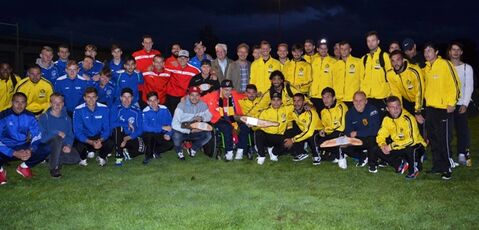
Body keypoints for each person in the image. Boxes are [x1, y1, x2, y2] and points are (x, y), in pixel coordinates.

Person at [423, 42, 461, 180]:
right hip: (430, 109)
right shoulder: (427, 68)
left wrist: (452, 103)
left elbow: (456, 84)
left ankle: (447, 168)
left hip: (443, 109)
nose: (427, 53)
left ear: (436, 51)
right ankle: (438, 165)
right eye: (425, 51)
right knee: (433, 139)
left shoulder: (445, 64)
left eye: (430, 50)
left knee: (443, 139)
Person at [0, 92, 50, 185]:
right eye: (16, 102)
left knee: (46, 147)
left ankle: (24, 167)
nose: (19, 105)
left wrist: (30, 149)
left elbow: (37, 135)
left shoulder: (30, 116)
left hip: (23, 146)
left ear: (26, 104)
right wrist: (13, 152)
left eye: (22, 102)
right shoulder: (3, 116)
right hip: (6, 147)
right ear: (12, 102)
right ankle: (0, 171)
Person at [377, 96, 427, 179]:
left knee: (410, 149)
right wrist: (382, 145)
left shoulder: (408, 118)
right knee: (377, 149)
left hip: (417, 145)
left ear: (401, 106)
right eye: (392, 107)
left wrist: (391, 146)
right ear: (387, 108)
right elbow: (381, 135)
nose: (395, 109)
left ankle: (414, 168)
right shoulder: (386, 119)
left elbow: (411, 140)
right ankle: (399, 164)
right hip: (398, 146)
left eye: (397, 106)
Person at [202, 80, 248, 160]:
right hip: (219, 119)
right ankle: (229, 152)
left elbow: (245, 96)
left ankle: (240, 151)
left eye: (230, 90)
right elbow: (198, 99)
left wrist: (256, 95)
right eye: (226, 90)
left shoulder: (234, 94)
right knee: (227, 128)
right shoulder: (212, 96)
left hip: (232, 117)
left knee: (244, 126)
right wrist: (185, 98)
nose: (228, 92)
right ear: (221, 89)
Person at [38, 93, 80, 178]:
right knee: (57, 138)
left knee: (76, 158)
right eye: (54, 102)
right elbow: (42, 139)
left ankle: (52, 158)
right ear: (50, 103)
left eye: (60, 102)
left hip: (61, 146)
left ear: (63, 104)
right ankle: (54, 168)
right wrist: (56, 132)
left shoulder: (66, 118)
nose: (57, 105)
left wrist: (68, 145)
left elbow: (70, 135)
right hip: (47, 145)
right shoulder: (44, 117)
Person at [73, 87, 113, 167]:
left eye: (93, 97)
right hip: (86, 137)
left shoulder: (104, 108)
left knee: (110, 142)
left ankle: (102, 156)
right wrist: (90, 142)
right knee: (77, 143)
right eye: (88, 97)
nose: (91, 100)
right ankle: (83, 158)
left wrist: (101, 140)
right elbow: (77, 131)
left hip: (99, 136)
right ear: (84, 98)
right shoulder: (78, 110)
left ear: (97, 98)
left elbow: (107, 129)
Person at [448, 42, 474, 166]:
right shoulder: (445, 66)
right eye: (453, 49)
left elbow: (469, 87)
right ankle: (447, 155)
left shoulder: (467, 68)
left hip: (460, 104)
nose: (455, 52)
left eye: (458, 50)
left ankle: (462, 154)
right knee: (447, 131)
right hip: (447, 104)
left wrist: (465, 104)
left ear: (461, 52)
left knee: (462, 130)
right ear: (449, 52)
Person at [343, 91, 382, 173]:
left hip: (371, 138)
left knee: (372, 139)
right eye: (356, 101)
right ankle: (362, 157)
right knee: (344, 146)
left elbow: (374, 130)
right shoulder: (349, 113)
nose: (358, 103)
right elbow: (348, 131)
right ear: (353, 101)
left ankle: (372, 164)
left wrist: (357, 133)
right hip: (359, 139)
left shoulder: (372, 110)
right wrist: (350, 137)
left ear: (366, 101)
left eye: (361, 100)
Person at [171, 86, 212, 160]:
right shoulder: (181, 105)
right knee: (176, 136)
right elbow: (174, 124)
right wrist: (189, 130)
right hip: (182, 129)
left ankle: (193, 148)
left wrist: (202, 118)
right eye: (192, 95)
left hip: (194, 129)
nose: (194, 98)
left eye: (197, 95)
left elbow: (209, 116)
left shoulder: (203, 105)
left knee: (208, 135)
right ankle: (179, 151)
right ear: (188, 96)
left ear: (200, 96)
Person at [254, 92, 292, 165]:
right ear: (271, 101)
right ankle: (261, 156)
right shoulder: (265, 112)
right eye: (274, 100)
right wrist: (253, 125)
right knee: (258, 133)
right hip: (267, 136)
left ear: (281, 101)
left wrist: (308, 105)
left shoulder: (287, 109)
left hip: (279, 136)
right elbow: (258, 125)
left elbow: (298, 103)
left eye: (278, 100)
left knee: (288, 143)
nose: (276, 102)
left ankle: (274, 153)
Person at [283, 93, 321, 165]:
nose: (296, 103)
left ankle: (316, 155)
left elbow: (309, 132)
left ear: (304, 102)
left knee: (311, 135)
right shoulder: (293, 112)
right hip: (304, 131)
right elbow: (289, 120)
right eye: (294, 101)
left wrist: (292, 140)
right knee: (289, 131)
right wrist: (290, 132)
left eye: (299, 101)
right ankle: (301, 152)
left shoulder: (311, 112)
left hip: (318, 133)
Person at [110, 88, 144, 166]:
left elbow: (140, 129)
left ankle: (126, 151)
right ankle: (119, 157)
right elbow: (111, 124)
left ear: (132, 98)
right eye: (124, 97)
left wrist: (128, 138)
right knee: (118, 128)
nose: (126, 99)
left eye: (129, 97)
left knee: (142, 149)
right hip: (117, 135)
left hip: (130, 136)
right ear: (121, 98)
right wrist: (126, 124)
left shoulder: (137, 111)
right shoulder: (115, 108)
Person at [361, 31, 393, 116]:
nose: (371, 43)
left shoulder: (384, 56)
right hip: (367, 98)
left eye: (373, 40)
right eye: (368, 41)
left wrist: (390, 95)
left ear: (378, 41)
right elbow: (361, 79)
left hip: (381, 98)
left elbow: (391, 77)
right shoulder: (364, 59)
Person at [388, 50, 425, 119]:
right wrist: (400, 110)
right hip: (407, 102)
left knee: (422, 125)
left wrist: (417, 110)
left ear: (403, 59)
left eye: (398, 60)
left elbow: (420, 91)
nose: (396, 63)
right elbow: (396, 93)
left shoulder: (414, 70)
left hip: (421, 101)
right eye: (393, 61)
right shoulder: (390, 74)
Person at [317, 87, 348, 168]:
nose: (325, 100)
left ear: (334, 98)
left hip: (343, 131)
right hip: (332, 132)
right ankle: (337, 154)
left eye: (328, 97)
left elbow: (341, 126)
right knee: (320, 143)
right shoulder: (323, 111)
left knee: (334, 138)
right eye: (323, 97)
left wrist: (328, 134)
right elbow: (325, 126)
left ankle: (341, 157)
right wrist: (323, 130)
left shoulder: (341, 106)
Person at [165, 50, 201, 114]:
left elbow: (201, 77)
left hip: (184, 97)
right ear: (177, 58)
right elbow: (159, 67)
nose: (182, 60)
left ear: (188, 59)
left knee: (184, 116)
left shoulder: (194, 70)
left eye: (185, 58)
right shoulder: (171, 66)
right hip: (171, 96)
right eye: (180, 58)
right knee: (171, 115)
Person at [141, 92, 174, 164]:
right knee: (149, 134)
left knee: (171, 144)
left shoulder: (165, 109)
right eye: (150, 101)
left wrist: (169, 134)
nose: (153, 103)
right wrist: (161, 127)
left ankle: (156, 151)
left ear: (158, 101)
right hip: (150, 134)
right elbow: (145, 127)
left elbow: (171, 124)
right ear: (147, 102)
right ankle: (148, 156)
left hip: (161, 134)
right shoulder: (145, 112)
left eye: (155, 100)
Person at [330, 41, 363, 108]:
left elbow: (362, 80)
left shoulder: (358, 62)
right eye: (342, 49)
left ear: (350, 49)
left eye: (346, 49)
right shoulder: (335, 65)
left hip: (353, 99)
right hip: (339, 99)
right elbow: (332, 82)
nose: (344, 51)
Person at [310, 39, 337, 110]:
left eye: (325, 48)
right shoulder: (313, 61)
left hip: (326, 96)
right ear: (317, 49)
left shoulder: (333, 62)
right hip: (313, 95)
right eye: (321, 48)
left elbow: (336, 79)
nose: (323, 50)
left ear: (327, 49)